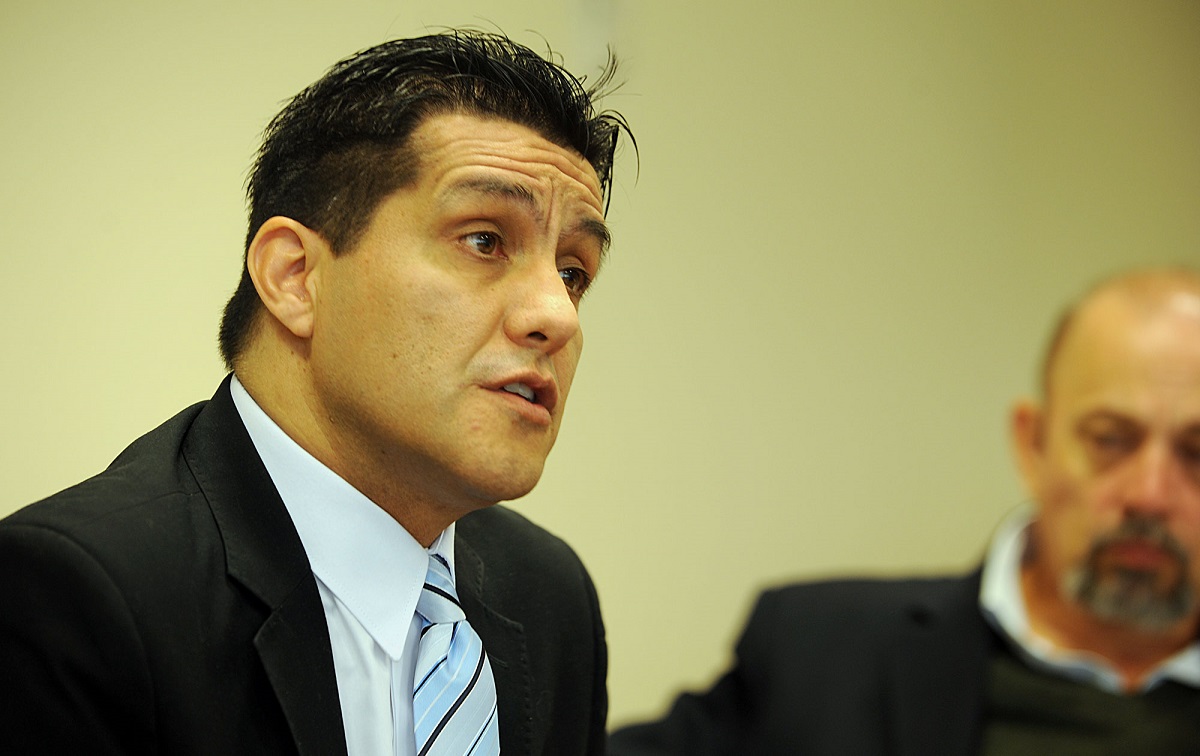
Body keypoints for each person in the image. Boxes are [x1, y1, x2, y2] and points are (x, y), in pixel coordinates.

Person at [0, 30, 630, 756]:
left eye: (574, 273)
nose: (557, 315)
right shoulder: (78, 595)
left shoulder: (550, 597)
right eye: (484, 240)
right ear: (295, 277)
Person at [609, 267, 1200, 755]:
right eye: (1110, 440)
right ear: (1033, 444)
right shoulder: (820, 654)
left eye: (1196, 453)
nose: (1149, 495)